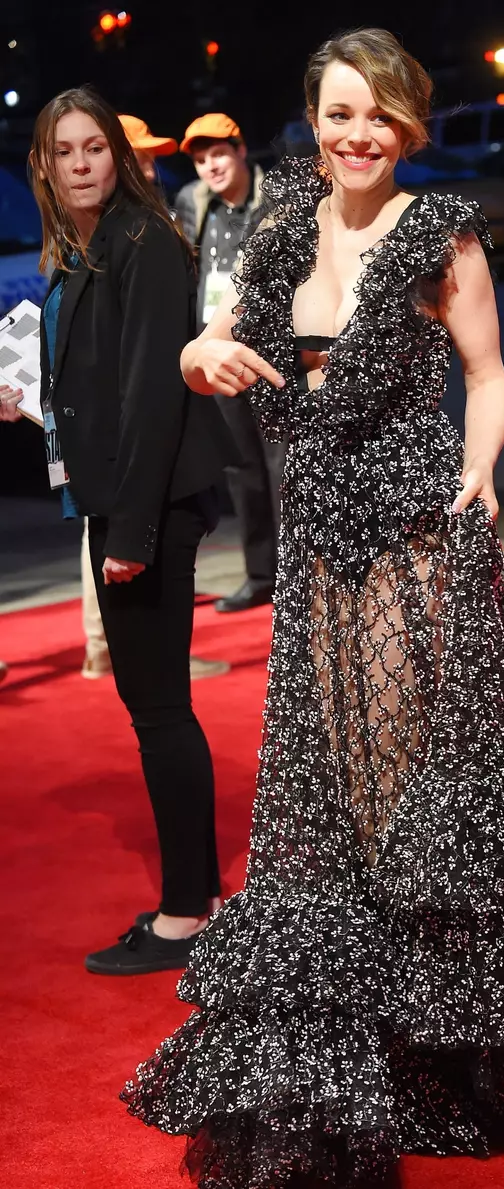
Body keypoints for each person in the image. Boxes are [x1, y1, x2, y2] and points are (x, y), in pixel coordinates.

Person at [121, 29, 504, 1183]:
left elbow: (488, 376)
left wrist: (480, 464)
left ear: (407, 127)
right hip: (317, 545)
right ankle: (375, 1028)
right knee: (333, 788)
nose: (359, 133)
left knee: (405, 781)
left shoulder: (439, 232)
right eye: (341, 112)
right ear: (313, 120)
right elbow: (209, 341)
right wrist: (195, 360)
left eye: (381, 115)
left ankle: (440, 1040)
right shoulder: (279, 230)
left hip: (414, 530)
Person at [13, 85, 234, 975]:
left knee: (159, 708)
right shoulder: (86, 246)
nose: (80, 164)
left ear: (118, 154)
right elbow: (97, 387)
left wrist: (132, 535)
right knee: (154, 704)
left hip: (150, 506)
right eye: (63, 151)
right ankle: (192, 898)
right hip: (118, 498)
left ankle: (185, 915)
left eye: (93, 148)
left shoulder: (142, 240)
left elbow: (152, 397)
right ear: (42, 164)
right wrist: (30, 401)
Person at [78, 113, 229, 682]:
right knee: (116, 522)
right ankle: (118, 645)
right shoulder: (126, 232)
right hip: (130, 422)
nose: (147, 168)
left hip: (128, 419)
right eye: (136, 158)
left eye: (149, 159)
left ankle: (107, 644)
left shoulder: (136, 223)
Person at [175, 114, 285, 613]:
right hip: (218, 355)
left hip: (269, 353)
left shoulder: (276, 200)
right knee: (241, 468)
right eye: (201, 160)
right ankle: (261, 575)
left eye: (218, 153)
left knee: (282, 465)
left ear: (241, 150)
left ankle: (299, 576)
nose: (211, 166)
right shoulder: (194, 204)